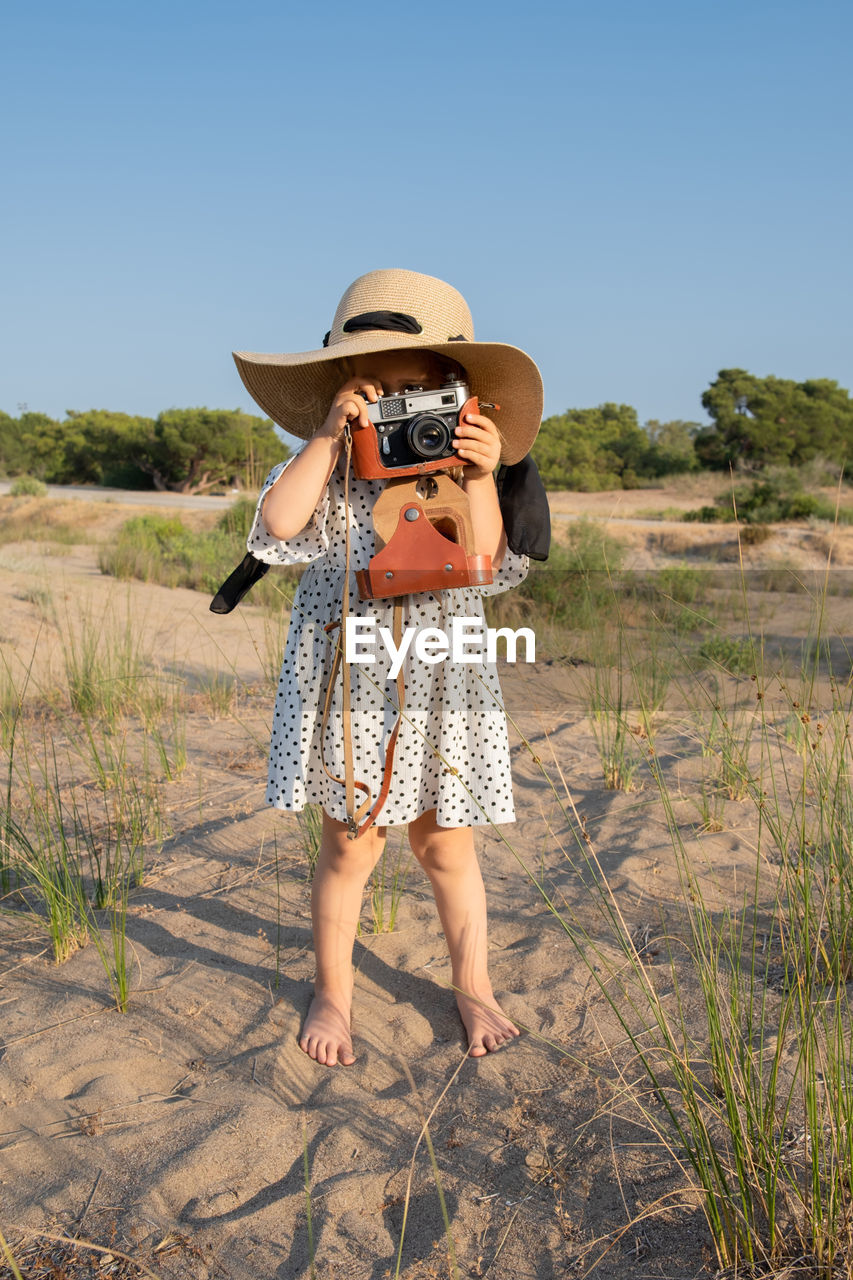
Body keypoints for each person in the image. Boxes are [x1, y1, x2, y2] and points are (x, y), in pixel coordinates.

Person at [233, 269, 544, 1066]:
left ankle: (472, 985)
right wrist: (332, 436)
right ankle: (332, 992)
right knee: (351, 841)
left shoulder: (468, 465)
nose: (402, 409)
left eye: (421, 392)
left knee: (447, 841)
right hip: (352, 671)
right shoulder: (328, 460)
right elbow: (275, 527)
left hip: (442, 664)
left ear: (456, 393)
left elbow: (482, 563)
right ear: (344, 383)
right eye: (380, 389)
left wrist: (479, 473)